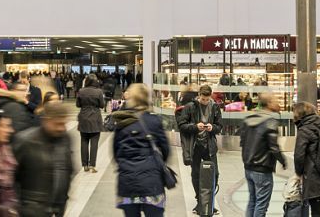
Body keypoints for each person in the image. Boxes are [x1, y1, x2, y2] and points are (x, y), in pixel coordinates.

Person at [111, 83, 170, 216]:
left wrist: (125, 165)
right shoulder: (154, 120)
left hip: (128, 182)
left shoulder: (123, 120)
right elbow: (165, 149)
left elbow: (115, 151)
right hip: (152, 183)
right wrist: (158, 163)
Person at [12, 100, 74, 217]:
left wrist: (63, 200)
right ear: (46, 120)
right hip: (31, 209)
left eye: (64, 123)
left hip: (56, 207)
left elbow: (68, 170)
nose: (61, 128)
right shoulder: (25, 141)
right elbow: (10, 176)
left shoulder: (65, 139)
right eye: (57, 124)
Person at [177, 84, 223, 215]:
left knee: (214, 174)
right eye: (203, 99)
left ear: (210, 97)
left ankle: (209, 201)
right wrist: (195, 127)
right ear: (199, 96)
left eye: (207, 99)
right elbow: (182, 125)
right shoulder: (190, 107)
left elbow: (219, 126)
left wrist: (212, 128)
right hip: (195, 145)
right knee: (196, 174)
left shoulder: (214, 107)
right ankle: (200, 201)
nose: (205, 102)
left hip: (209, 146)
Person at [240, 93, 287, 217]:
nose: (278, 103)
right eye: (275, 100)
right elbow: (273, 147)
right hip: (262, 167)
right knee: (261, 204)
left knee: (252, 200)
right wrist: (283, 161)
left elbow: (242, 142)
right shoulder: (270, 121)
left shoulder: (248, 118)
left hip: (248, 166)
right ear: (270, 103)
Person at [77, 75, 105, 172]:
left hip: (83, 117)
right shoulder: (99, 91)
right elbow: (102, 105)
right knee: (94, 143)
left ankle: (85, 165)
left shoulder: (81, 91)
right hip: (95, 118)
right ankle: (92, 165)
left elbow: (78, 104)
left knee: (84, 141)